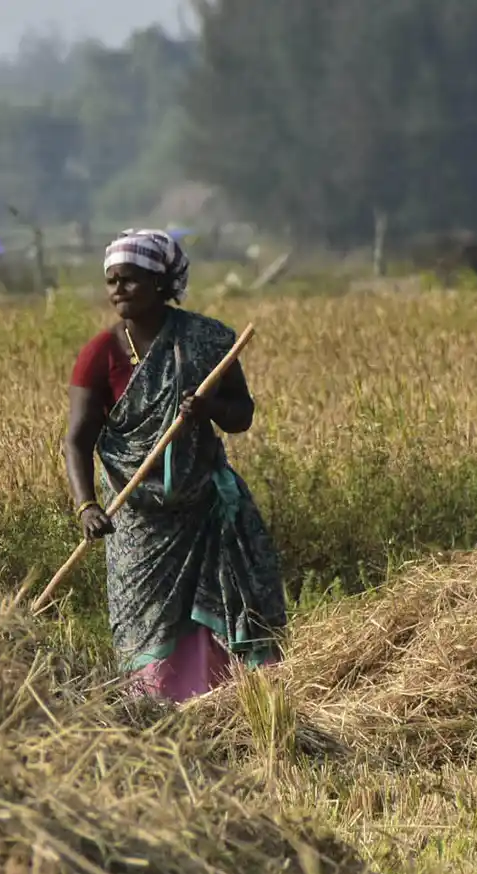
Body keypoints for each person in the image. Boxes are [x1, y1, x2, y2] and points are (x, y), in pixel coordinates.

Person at [63, 228, 288, 704]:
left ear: (161, 282)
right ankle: (159, 712)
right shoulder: (99, 354)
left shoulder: (205, 340)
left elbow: (241, 415)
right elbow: (77, 441)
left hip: (204, 504)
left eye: (130, 280)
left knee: (222, 605)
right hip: (137, 518)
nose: (118, 290)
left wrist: (207, 410)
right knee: (146, 623)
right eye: (111, 281)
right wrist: (86, 506)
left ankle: (236, 705)